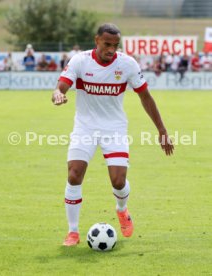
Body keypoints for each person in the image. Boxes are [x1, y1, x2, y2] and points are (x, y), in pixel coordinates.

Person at [52, 23, 174, 247]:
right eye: (107, 44)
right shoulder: (80, 60)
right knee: (74, 174)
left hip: (114, 128)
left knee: (118, 181)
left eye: (115, 45)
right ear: (96, 40)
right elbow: (61, 87)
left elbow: (145, 97)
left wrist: (162, 130)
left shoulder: (127, 64)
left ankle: (122, 210)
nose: (111, 49)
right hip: (85, 127)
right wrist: (58, 94)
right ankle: (73, 232)